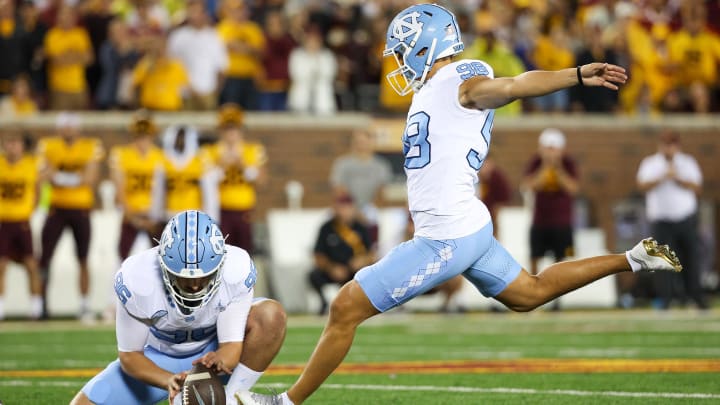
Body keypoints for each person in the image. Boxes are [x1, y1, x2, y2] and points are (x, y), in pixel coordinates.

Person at [237, 4, 680, 405]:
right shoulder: (433, 88)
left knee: (345, 307)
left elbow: (511, 85)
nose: (398, 59)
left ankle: (283, 403)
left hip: (446, 235)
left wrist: (575, 75)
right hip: (465, 225)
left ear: (425, 46)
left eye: (403, 50)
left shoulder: (460, 79)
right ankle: (632, 258)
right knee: (530, 292)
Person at [69, 210, 287, 405]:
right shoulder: (137, 278)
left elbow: (231, 346)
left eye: (203, 277)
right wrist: (169, 381)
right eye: (184, 278)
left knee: (270, 315)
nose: (194, 285)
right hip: (158, 356)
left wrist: (220, 358)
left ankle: (230, 398)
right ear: (164, 265)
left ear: (219, 266)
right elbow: (130, 356)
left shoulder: (236, 269)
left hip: (212, 348)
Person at [37, 112, 104, 321]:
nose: (68, 130)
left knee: (83, 259)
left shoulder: (90, 146)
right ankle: (41, 304)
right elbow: (44, 175)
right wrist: (75, 178)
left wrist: (59, 177)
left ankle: (84, 305)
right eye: (64, 126)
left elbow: (91, 179)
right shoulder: (48, 145)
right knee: (45, 259)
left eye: (71, 126)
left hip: (80, 209)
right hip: (56, 209)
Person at [636, 130, 708, 310]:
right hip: (661, 221)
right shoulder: (651, 163)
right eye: (665, 144)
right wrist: (662, 177)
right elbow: (642, 186)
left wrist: (678, 178)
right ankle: (665, 300)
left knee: (691, 259)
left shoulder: (687, 162)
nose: (668, 148)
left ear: (677, 146)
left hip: (685, 219)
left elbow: (698, 187)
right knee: (662, 261)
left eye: (671, 144)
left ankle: (696, 298)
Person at [203, 104, 267, 253]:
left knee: (244, 253)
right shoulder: (210, 152)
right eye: (227, 128)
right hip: (220, 211)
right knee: (221, 253)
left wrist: (243, 165)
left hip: (244, 210)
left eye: (234, 128)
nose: (231, 133)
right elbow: (206, 180)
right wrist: (223, 164)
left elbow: (261, 180)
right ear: (220, 130)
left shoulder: (252, 150)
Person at [522, 128, 579, 277]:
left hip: (562, 222)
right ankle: (534, 288)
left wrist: (558, 168)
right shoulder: (536, 162)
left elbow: (573, 189)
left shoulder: (568, 163)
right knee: (534, 257)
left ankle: (557, 296)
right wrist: (545, 167)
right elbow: (530, 186)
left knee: (562, 260)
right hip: (540, 220)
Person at [109, 111, 165, 260]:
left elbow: (165, 191)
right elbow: (119, 189)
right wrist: (132, 217)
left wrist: (156, 216)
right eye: (139, 135)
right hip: (130, 213)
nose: (142, 139)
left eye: (146, 134)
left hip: (154, 215)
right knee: (123, 258)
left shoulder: (161, 156)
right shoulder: (122, 154)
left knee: (161, 261)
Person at [308, 194, 375, 315]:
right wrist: (331, 268)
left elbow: (372, 254)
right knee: (314, 276)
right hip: (333, 269)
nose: (344, 211)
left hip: (354, 271)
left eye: (347, 207)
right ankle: (324, 303)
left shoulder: (361, 228)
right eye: (341, 207)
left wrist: (362, 261)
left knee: (369, 275)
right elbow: (318, 255)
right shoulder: (327, 228)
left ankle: (364, 305)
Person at [0, 132, 43, 320]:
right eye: (9, 143)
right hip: (3, 221)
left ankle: (36, 307)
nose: (12, 147)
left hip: (22, 221)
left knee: (31, 264)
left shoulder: (31, 164)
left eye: (15, 143)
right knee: (1, 265)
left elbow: (38, 192)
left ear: (22, 146)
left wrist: (29, 211)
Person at [329, 128, 392, 246]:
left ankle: (373, 253)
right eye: (358, 141)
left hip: (369, 208)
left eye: (364, 141)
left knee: (378, 222)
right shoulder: (343, 163)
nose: (361, 145)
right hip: (346, 206)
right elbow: (339, 190)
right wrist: (354, 211)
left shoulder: (381, 165)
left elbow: (381, 193)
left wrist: (369, 210)